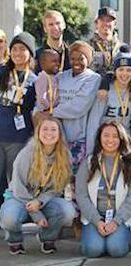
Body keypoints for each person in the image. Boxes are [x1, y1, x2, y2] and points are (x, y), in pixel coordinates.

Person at [0, 117, 76, 255]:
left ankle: (48, 238)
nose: (49, 133)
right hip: (19, 197)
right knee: (10, 218)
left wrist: (40, 201)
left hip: (44, 199)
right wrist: (36, 214)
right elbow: (18, 185)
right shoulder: (27, 153)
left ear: (60, 134)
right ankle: (15, 240)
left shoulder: (65, 156)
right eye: (45, 129)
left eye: (53, 129)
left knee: (68, 212)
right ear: (38, 132)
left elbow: (58, 188)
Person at [76, 121, 131, 258]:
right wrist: (97, 221)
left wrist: (116, 221)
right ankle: (97, 239)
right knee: (92, 251)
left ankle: (120, 238)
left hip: (120, 217)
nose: (110, 140)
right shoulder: (89, 162)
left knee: (116, 250)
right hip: (94, 216)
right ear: (99, 138)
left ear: (121, 139)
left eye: (115, 136)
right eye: (106, 135)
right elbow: (81, 195)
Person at [51, 41, 101, 173]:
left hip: (80, 140)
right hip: (57, 138)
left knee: (75, 180)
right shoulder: (61, 77)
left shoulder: (93, 78)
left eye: (81, 58)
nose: (76, 62)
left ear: (88, 59)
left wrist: (51, 112)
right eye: (73, 59)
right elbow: (51, 98)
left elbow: (78, 107)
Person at [0, 32, 38, 205]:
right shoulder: (2, 72)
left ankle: (8, 218)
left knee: (13, 181)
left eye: (22, 49)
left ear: (30, 53)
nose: (17, 53)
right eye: (14, 49)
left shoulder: (35, 80)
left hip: (19, 138)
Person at [87, 45, 131, 153]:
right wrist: (90, 151)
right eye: (121, 69)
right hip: (105, 141)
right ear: (115, 71)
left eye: (129, 70)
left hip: (125, 142)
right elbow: (94, 121)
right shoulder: (105, 90)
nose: (124, 74)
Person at [89, 6, 121, 80]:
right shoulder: (87, 47)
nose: (106, 23)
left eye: (109, 20)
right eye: (102, 20)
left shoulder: (121, 47)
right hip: (94, 88)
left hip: (116, 89)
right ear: (96, 23)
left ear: (115, 24)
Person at [35, 50, 61, 115]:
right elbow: (41, 97)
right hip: (44, 111)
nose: (58, 64)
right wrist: (49, 107)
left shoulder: (55, 76)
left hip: (53, 110)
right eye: (54, 61)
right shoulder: (42, 76)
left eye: (58, 61)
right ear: (43, 63)